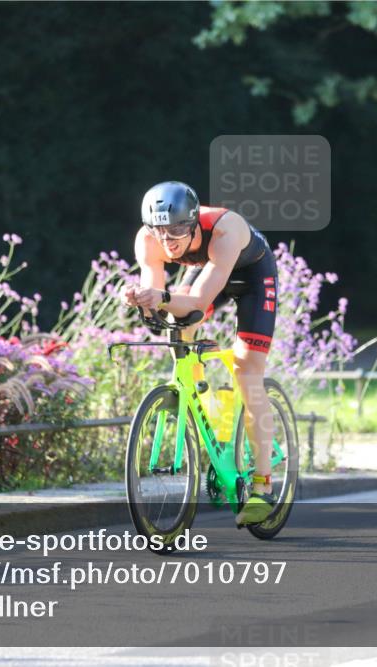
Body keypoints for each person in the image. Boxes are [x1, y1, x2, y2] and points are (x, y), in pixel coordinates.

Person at [121, 181, 278, 526]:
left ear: (193, 222)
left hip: (251, 276)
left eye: (177, 230)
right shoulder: (147, 239)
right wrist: (144, 301)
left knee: (247, 372)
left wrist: (158, 297)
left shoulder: (225, 229)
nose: (168, 239)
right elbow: (159, 292)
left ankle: (263, 485)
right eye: (160, 230)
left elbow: (199, 302)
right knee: (180, 328)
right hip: (209, 266)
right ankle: (200, 400)